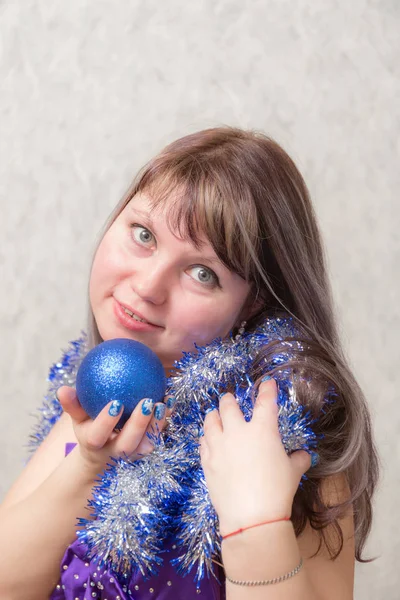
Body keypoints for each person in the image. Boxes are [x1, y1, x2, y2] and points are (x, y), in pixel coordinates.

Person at [0, 127, 378, 599]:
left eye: (203, 273)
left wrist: (256, 524)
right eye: (143, 235)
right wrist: (87, 466)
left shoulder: (290, 435)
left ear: (254, 304)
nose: (147, 286)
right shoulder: (105, 388)